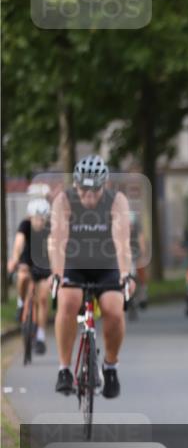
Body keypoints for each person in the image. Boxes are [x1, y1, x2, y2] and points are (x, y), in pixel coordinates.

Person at [50, 155, 135, 398]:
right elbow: (57, 241)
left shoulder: (116, 201)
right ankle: (64, 369)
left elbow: (122, 242)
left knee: (114, 309)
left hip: (107, 263)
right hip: (74, 262)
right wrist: (56, 274)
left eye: (94, 191)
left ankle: (110, 366)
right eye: (83, 190)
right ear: (76, 185)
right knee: (68, 301)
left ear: (104, 186)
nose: (88, 197)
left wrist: (125, 275)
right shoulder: (64, 200)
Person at [6, 198, 53, 353]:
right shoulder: (25, 225)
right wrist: (13, 259)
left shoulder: (50, 228)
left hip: (44, 264)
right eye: (36, 218)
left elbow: (53, 248)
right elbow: (19, 243)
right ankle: (21, 302)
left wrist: (55, 269)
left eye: (42, 218)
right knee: (22, 276)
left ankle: (40, 336)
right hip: (27, 260)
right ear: (30, 217)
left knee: (44, 297)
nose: (39, 222)